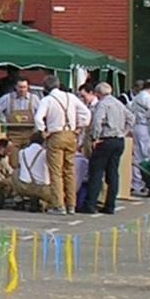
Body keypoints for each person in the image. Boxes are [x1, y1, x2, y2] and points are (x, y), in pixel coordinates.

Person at [36, 76, 82, 212]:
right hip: (71, 135)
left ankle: (58, 204)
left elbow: (38, 118)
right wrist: (80, 127)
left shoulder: (47, 100)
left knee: (56, 172)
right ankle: (71, 204)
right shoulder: (71, 97)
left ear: (45, 87)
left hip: (56, 135)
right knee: (69, 170)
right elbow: (85, 113)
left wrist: (43, 131)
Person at [84, 79, 131, 213]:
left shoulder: (102, 104)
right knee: (113, 173)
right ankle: (110, 205)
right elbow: (131, 118)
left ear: (98, 93)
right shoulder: (119, 103)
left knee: (96, 172)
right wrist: (124, 132)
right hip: (119, 140)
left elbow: (97, 121)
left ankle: (90, 204)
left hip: (105, 139)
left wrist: (95, 137)